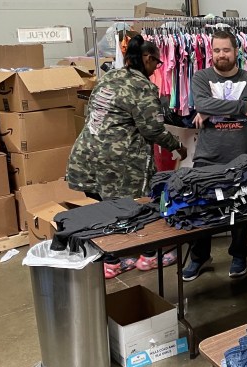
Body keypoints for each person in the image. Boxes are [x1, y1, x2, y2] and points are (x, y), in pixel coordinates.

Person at [67, 34, 187, 278]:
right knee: (138, 207)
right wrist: (177, 146)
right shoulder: (142, 86)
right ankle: (147, 256)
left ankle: (113, 260)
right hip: (119, 160)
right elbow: (152, 129)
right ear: (146, 58)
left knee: (105, 208)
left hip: (87, 154)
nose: (156, 69)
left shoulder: (110, 76)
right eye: (156, 63)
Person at [182, 30, 247, 282]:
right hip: (208, 154)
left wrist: (211, 109)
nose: (221, 55)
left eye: (226, 50)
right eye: (216, 50)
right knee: (202, 206)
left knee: (241, 208)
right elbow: (204, 104)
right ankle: (199, 256)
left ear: (236, 51)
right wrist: (238, 107)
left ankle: (238, 254)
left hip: (243, 154)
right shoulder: (201, 77)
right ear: (211, 52)